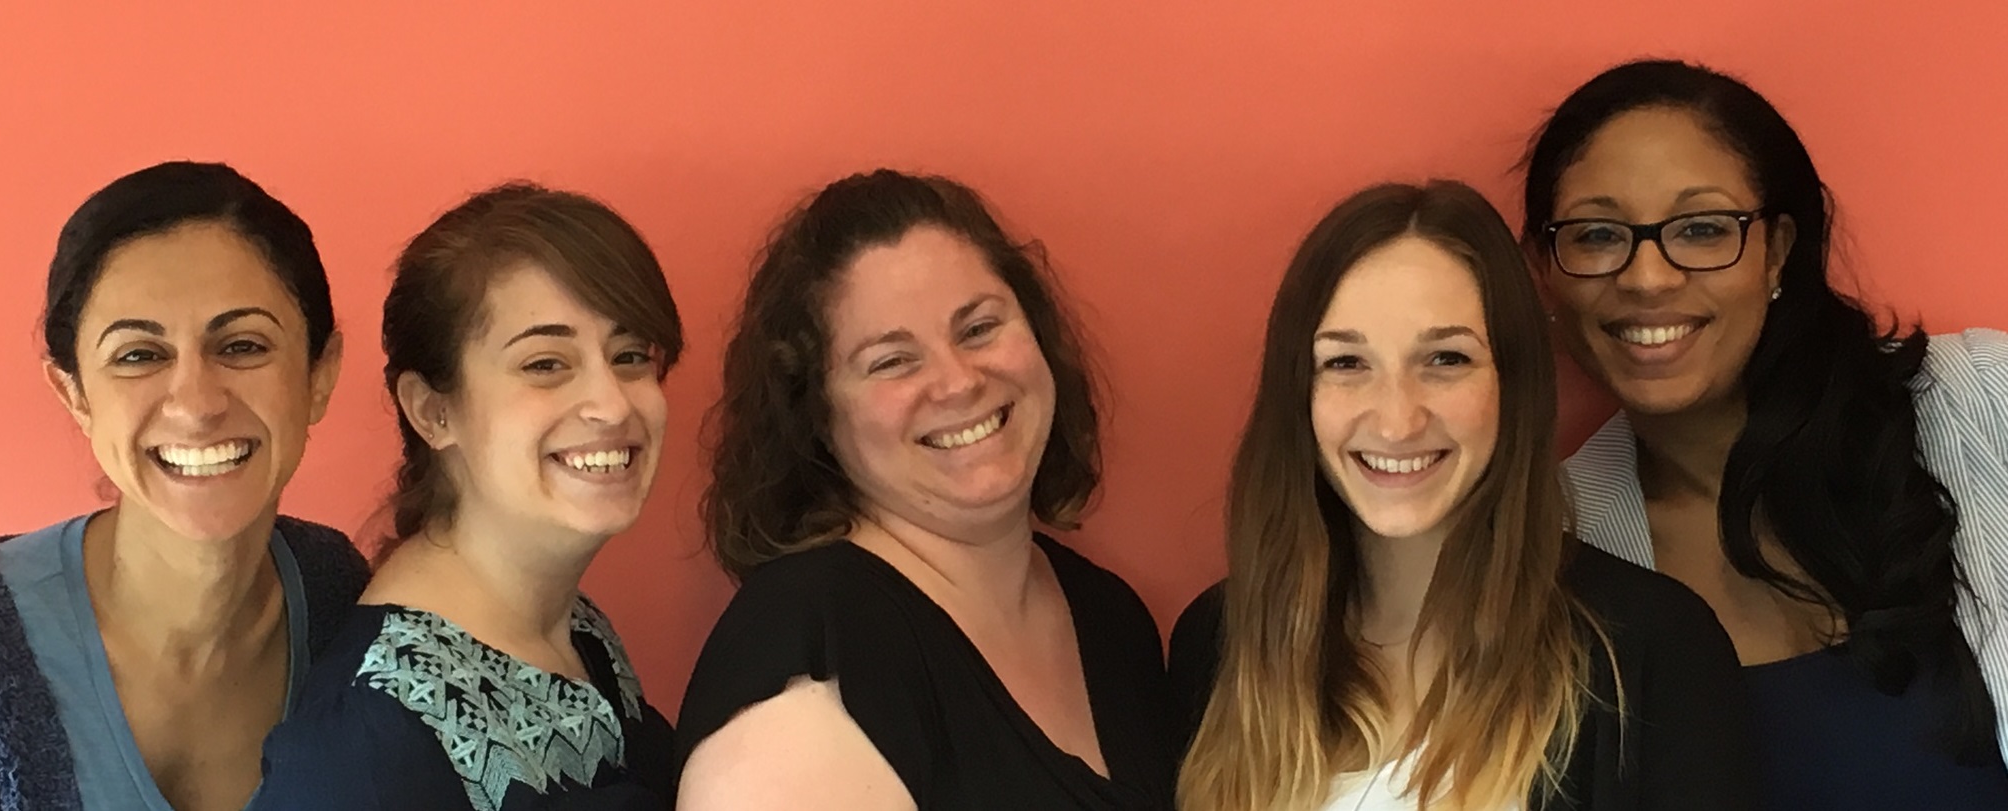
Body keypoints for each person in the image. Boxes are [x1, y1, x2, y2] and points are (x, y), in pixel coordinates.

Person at [1171, 180, 1754, 811]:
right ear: (1299, 394)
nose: (1397, 421)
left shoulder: (1655, 651)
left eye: (1446, 359)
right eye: (1346, 363)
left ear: (1513, 384)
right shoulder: (1220, 641)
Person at [1520, 58, 2008, 808]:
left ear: (1777, 250)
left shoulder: (1982, 400)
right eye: (1595, 235)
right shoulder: (1546, 545)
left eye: (1702, 228)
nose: (1647, 277)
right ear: (1545, 271)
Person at [673, 169, 1175, 810]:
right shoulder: (807, 661)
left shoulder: (1110, 619)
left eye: (979, 328)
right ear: (816, 415)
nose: (958, 382)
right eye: (892, 361)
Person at [249, 182, 681, 810]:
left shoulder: (576, 628)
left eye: (631, 355)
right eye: (545, 364)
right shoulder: (363, 741)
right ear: (433, 411)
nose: (612, 404)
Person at [0, 160, 368, 811]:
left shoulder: (340, 595)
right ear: (75, 394)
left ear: (320, 374)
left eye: (243, 345)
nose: (197, 404)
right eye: (139, 355)